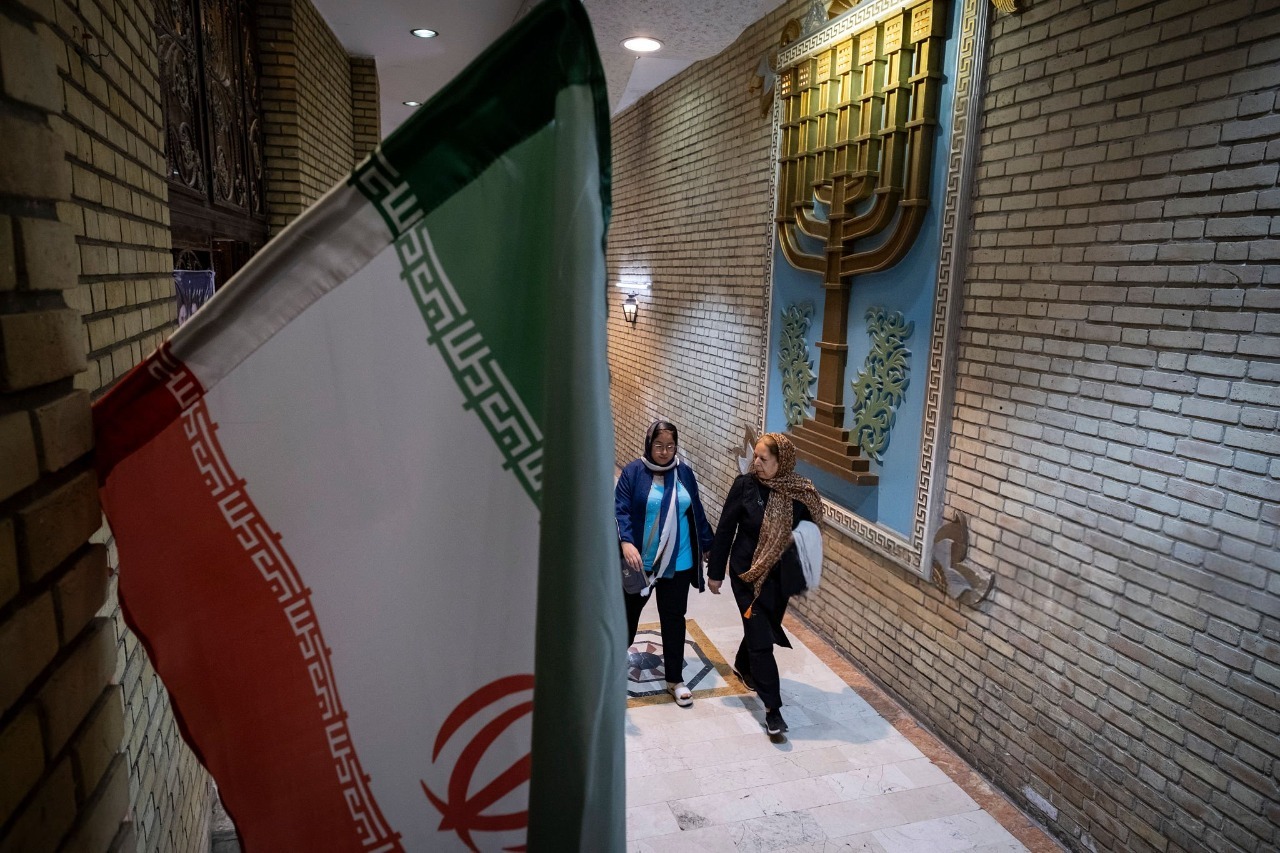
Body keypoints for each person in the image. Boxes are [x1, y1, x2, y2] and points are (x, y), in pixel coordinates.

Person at [708, 432, 823, 736]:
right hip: (746, 574)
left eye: (763, 458)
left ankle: (743, 665)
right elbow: (725, 530)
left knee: (761, 626)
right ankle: (773, 709)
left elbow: (809, 535)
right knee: (760, 635)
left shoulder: (801, 493)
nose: (755, 462)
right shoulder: (745, 485)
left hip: (778, 579)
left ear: (781, 462)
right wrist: (715, 572)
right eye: (755, 456)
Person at [616, 420, 715, 707]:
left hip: (678, 561)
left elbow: (695, 510)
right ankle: (609, 667)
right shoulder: (634, 472)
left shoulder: (683, 472)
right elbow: (620, 509)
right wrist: (626, 542)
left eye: (670, 446)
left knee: (673, 618)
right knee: (627, 616)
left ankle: (675, 679)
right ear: (649, 444)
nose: (664, 452)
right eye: (659, 446)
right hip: (641, 562)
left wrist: (708, 546)